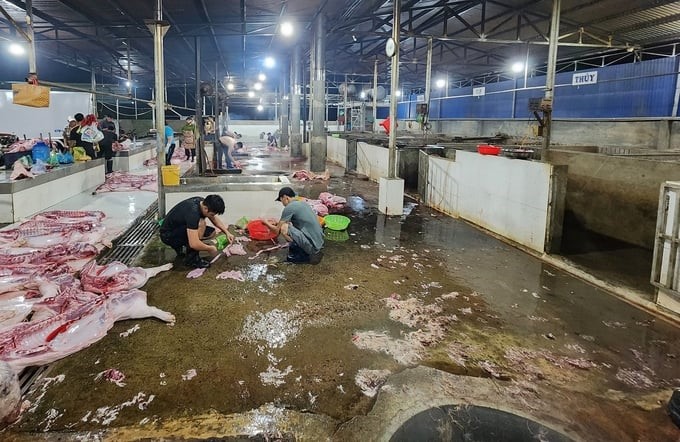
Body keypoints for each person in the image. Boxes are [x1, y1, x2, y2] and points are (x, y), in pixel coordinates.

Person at [160, 194, 235, 268]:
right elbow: (194, 244)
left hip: (175, 228)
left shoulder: (202, 201)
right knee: (201, 224)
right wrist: (210, 248)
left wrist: (227, 232)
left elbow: (214, 219)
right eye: (212, 214)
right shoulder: (193, 213)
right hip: (167, 236)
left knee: (211, 232)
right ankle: (192, 260)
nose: (212, 216)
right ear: (206, 208)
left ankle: (179, 247)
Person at [263, 187, 324, 264]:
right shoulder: (302, 203)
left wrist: (265, 222)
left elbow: (276, 231)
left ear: (286, 198)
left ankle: (300, 253)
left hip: (312, 248)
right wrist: (277, 222)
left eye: (282, 201)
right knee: (287, 224)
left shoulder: (289, 207)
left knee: (284, 227)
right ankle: (302, 248)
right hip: (319, 243)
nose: (283, 204)